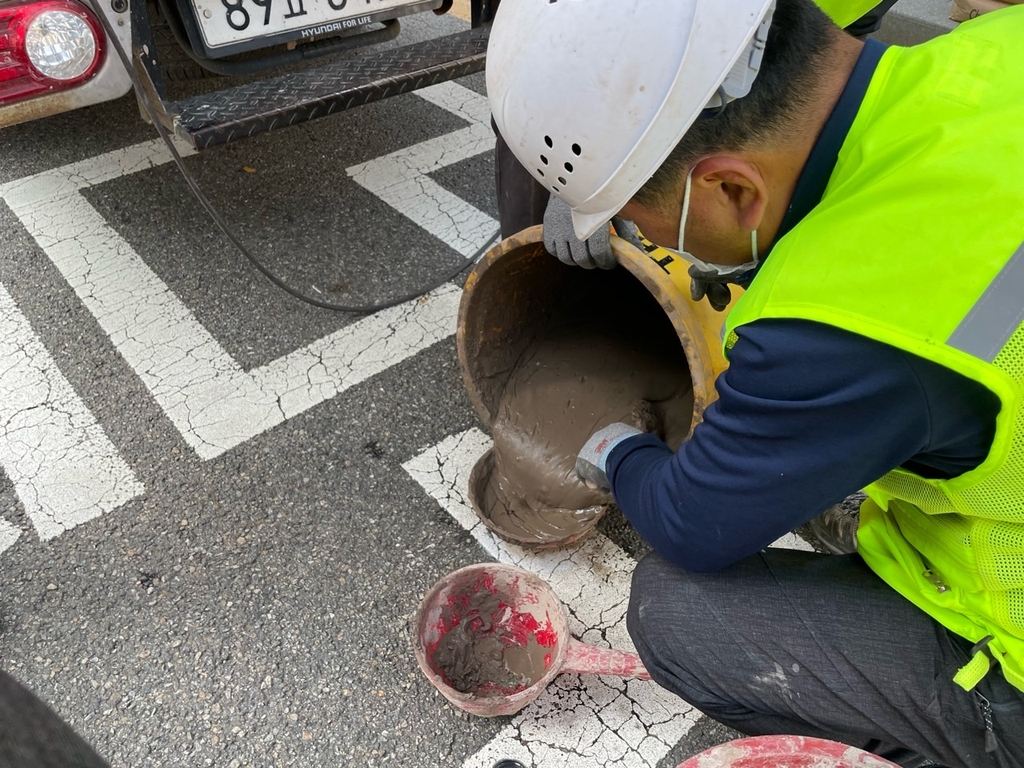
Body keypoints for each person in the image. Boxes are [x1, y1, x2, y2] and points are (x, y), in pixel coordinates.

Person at [486, 1, 1024, 767]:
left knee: (676, 611)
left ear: (733, 192)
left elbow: (689, 523)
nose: (641, 242)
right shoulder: (997, 48)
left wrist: (618, 450)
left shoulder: (842, 321)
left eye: (639, 224)